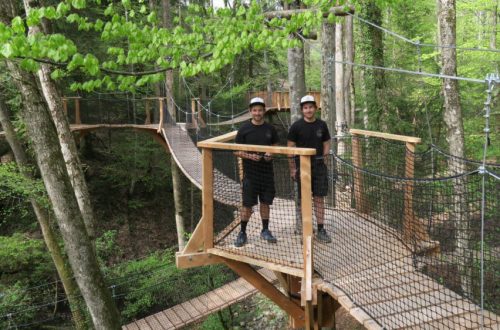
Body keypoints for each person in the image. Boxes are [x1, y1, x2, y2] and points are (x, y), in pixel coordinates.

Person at [233, 97, 279, 247]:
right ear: (250, 111)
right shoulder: (244, 129)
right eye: (254, 110)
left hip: (266, 172)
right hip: (250, 174)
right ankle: (242, 232)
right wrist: (249, 155)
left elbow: (276, 145)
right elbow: (236, 151)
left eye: (260, 110)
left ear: (264, 111)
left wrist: (270, 153)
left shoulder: (270, 129)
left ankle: (265, 230)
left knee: (265, 203)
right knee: (247, 204)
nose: (257, 113)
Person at [287, 95, 332, 243]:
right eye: (305, 107)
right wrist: (293, 168)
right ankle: (306, 230)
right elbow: (290, 147)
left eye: (311, 107)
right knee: (304, 198)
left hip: (319, 166)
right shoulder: (296, 126)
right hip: (302, 167)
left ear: (316, 108)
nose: (308, 110)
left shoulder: (322, 125)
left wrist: (325, 156)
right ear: (302, 110)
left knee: (319, 198)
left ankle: (321, 229)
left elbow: (326, 142)